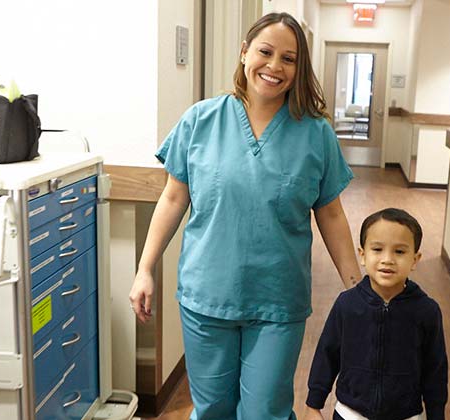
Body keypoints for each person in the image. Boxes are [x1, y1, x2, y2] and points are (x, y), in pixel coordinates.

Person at [129, 12, 362, 420]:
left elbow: (332, 215)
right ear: (244, 53)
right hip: (207, 294)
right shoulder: (200, 120)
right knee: (214, 408)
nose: (274, 67)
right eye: (265, 52)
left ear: (299, 68)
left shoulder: (314, 132)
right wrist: (145, 268)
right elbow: (172, 199)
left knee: (265, 411)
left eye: (288, 59)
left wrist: (358, 289)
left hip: (277, 298)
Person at [304, 208, 448, 420]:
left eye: (399, 252)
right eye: (377, 249)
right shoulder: (347, 305)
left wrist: (437, 415)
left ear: (415, 259)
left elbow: (435, 369)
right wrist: (313, 405)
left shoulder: (426, 311)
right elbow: (327, 354)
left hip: (406, 414)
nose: (387, 259)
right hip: (350, 413)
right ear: (362, 255)